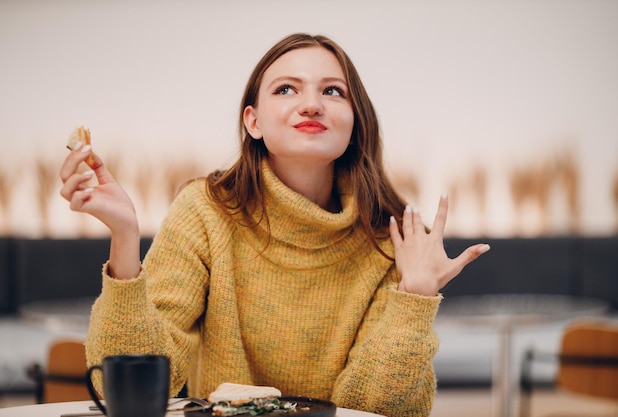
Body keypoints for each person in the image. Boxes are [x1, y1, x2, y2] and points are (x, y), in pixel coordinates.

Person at [59, 33, 490, 416]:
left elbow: (373, 410)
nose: (311, 104)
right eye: (286, 89)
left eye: (333, 91)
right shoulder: (205, 211)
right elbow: (124, 393)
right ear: (254, 121)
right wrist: (125, 238)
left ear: (354, 124)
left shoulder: (392, 238)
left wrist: (414, 299)